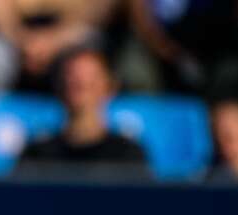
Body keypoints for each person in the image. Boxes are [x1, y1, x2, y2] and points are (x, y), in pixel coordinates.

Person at [18, 44, 149, 172]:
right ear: (59, 86)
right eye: (72, 77)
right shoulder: (37, 155)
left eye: (90, 78)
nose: (80, 83)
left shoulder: (127, 155)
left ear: (109, 87)